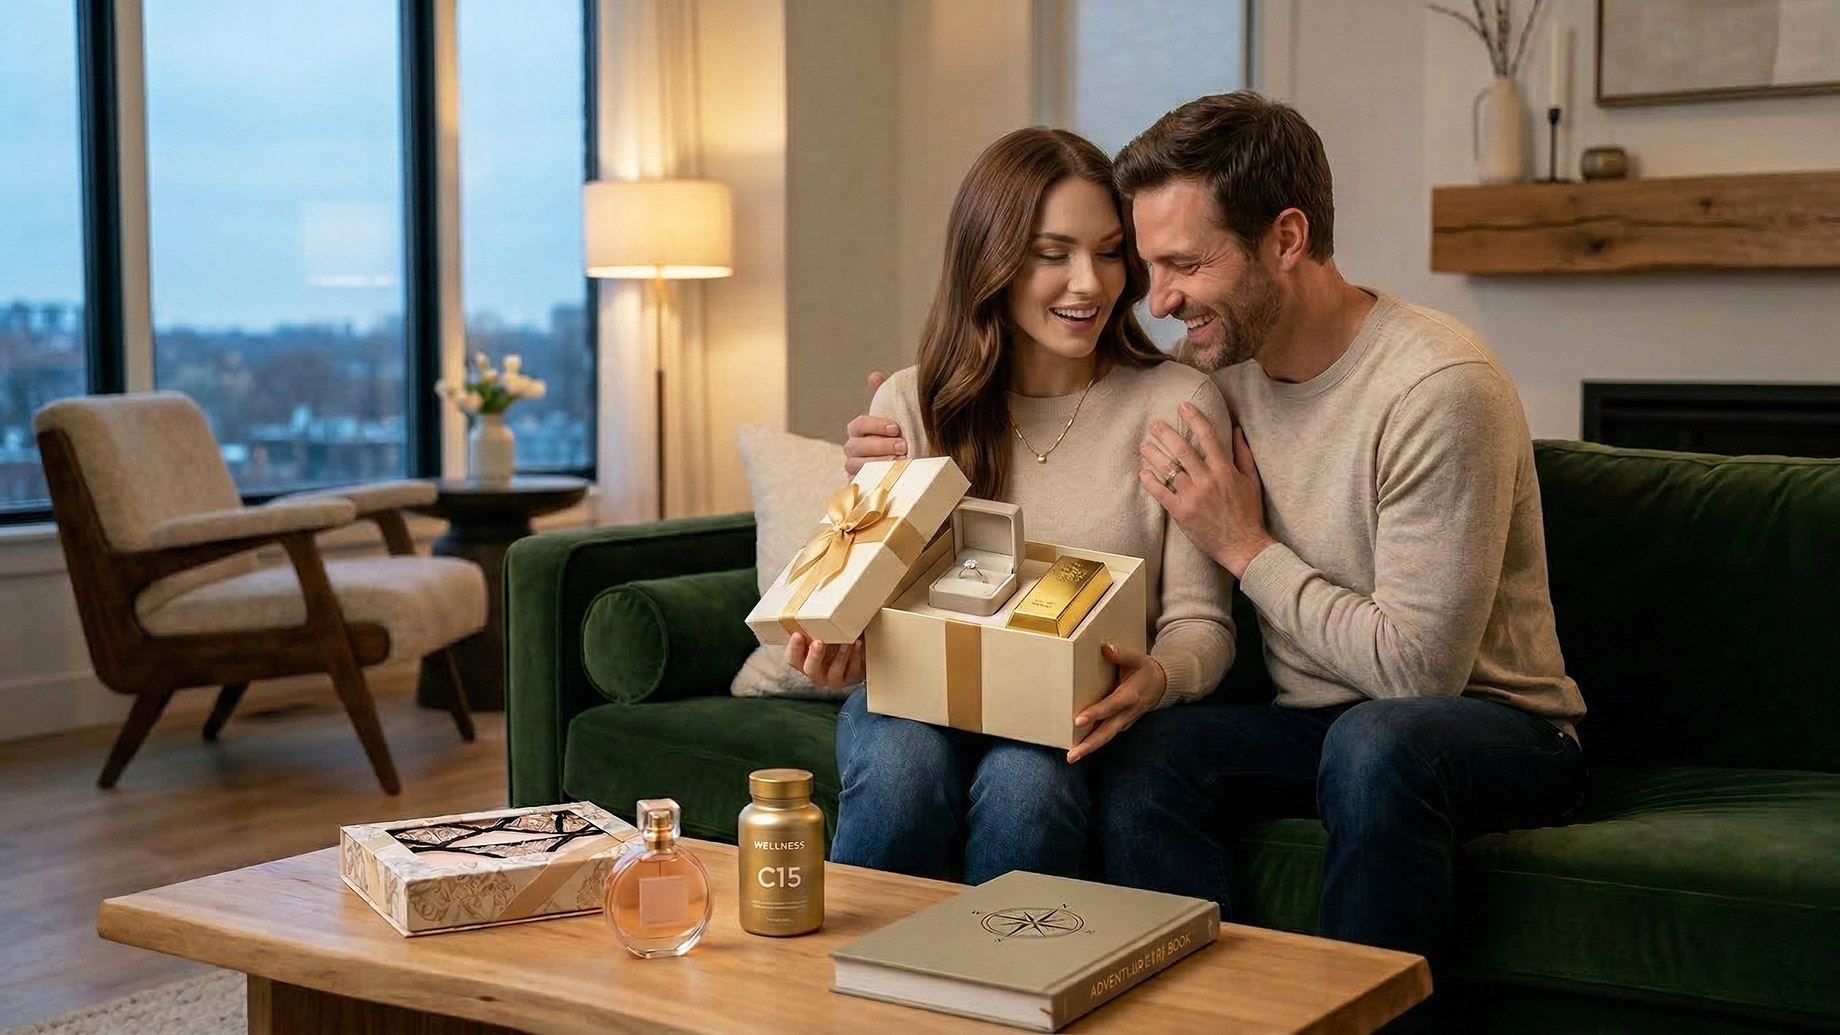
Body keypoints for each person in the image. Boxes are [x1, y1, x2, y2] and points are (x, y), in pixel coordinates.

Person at [843, 92, 1587, 988]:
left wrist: (1245, 546)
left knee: (1377, 743)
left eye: (1179, 263)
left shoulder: (1436, 386)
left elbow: (1417, 674)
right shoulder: (1223, 367)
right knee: (1148, 757)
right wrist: (881, 471)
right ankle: (1209, 1009)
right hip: (1306, 721)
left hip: (1486, 725)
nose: (1155, 301)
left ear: (1286, 239)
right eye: (1147, 263)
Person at [788, 126, 1237, 887]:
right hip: (917, 704)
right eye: (1052, 253)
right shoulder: (913, 402)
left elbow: (1201, 620)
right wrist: (837, 639)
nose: (1090, 283)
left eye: (1106, 250)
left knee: (1028, 788)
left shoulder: (1176, 404)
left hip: (1063, 716)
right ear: (990, 259)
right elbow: (871, 602)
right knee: (898, 771)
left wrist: (1157, 676)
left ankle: (1003, 995)